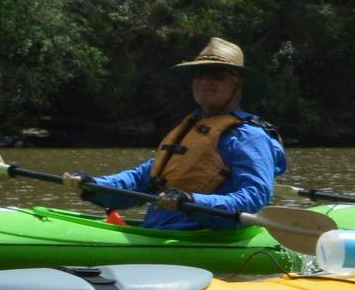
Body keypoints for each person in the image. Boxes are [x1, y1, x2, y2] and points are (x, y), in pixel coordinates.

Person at [84, 37, 286, 232]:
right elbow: (143, 178)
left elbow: (254, 198)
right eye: (199, 74)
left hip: (204, 238)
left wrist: (192, 201)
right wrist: (93, 185)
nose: (205, 81)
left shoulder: (251, 137)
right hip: (160, 232)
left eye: (217, 75)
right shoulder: (191, 128)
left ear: (238, 86)